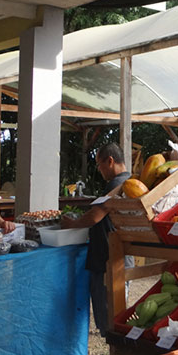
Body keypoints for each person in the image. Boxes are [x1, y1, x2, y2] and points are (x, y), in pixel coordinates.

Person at [60, 142, 134, 337]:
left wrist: (73, 224)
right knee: (116, 315)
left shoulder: (117, 184)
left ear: (110, 161)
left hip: (108, 261)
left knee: (110, 321)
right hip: (120, 259)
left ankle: (115, 351)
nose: (99, 170)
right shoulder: (130, 182)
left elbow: (95, 216)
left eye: (99, 165)